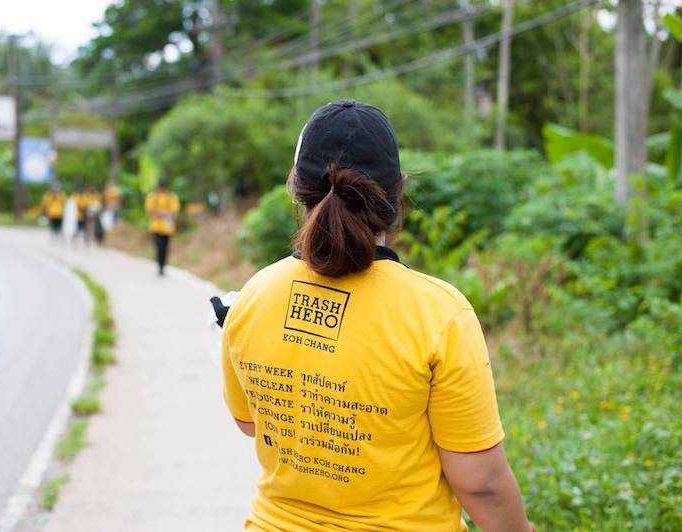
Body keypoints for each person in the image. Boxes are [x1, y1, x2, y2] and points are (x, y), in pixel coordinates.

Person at [218, 100, 531, 531]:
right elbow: (479, 482)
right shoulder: (439, 313)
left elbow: (248, 422)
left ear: (296, 189)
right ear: (397, 190)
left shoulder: (255, 293)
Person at [144, 180, 180, 276]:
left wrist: (161, 214)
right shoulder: (153, 197)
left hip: (168, 229)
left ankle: (163, 265)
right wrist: (165, 215)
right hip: (156, 227)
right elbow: (150, 212)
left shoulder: (171, 197)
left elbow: (175, 212)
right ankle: (160, 266)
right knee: (159, 247)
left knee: (165, 248)